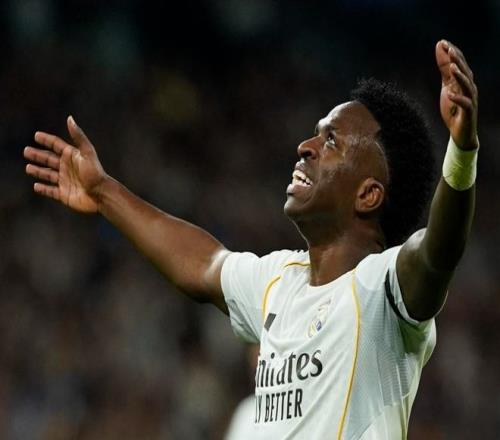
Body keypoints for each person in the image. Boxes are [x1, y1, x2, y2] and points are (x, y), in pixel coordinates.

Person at [24, 39, 478, 439]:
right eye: (315, 135)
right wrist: (104, 191)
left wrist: (461, 152)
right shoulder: (278, 281)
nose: (305, 147)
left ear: (368, 194)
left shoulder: (382, 291)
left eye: (331, 141)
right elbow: (203, 264)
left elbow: (438, 252)